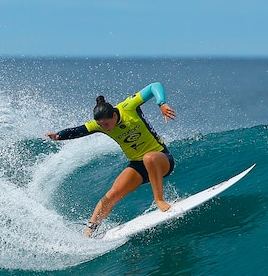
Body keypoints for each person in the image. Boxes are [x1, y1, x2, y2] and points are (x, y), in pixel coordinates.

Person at [46, 82, 177, 237]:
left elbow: (154, 86)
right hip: (138, 165)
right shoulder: (101, 125)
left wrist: (161, 104)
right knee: (112, 194)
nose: (106, 128)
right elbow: (78, 131)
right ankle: (89, 231)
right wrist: (58, 136)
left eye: (107, 123)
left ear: (114, 115)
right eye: (101, 125)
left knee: (149, 157)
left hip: (161, 160)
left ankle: (159, 200)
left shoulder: (129, 107)